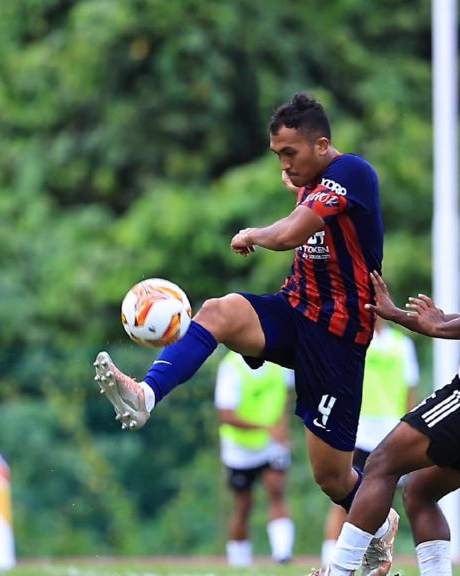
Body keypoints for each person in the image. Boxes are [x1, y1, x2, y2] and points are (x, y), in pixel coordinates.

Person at [92, 92, 400, 574]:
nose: (284, 164)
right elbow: (303, 204)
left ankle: (380, 528)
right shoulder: (312, 176)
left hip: (337, 338)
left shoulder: (353, 173)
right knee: (218, 311)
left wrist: (254, 233)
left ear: (323, 145)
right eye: (277, 155)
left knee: (331, 476)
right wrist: (294, 175)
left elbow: (292, 233)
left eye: (289, 153)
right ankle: (146, 394)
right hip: (295, 310)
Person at [313, 164, 460, 576]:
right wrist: (416, 319)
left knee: (381, 463)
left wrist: (434, 326)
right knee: (421, 492)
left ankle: (340, 572)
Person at [321, 318, 419, 567]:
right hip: (359, 430)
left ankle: (374, 558)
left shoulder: (402, 345)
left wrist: (409, 428)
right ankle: (329, 557)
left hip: (390, 433)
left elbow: (410, 391)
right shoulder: (353, 340)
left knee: (384, 499)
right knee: (343, 494)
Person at [214, 351, 295, 566]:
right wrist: (266, 428)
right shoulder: (231, 367)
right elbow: (226, 415)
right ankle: (238, 563)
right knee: (243, 504)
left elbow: (287, 394)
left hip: (271, 445)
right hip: (239, 449)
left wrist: (282, 426)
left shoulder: (280, 359)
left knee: (277, 492)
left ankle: (283, 556)